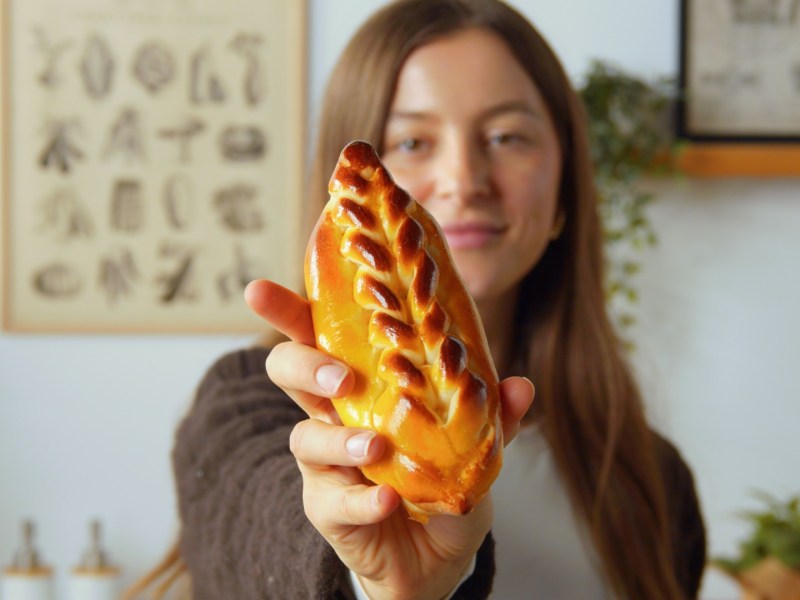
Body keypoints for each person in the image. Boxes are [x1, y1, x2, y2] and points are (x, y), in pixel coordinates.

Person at [127, 1, 706, 598]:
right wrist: (369, 576)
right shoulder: (247, 410)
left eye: (507, 136)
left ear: (564, 191)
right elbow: (261, 544)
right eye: (411, 140)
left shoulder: (648, 478)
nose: (463, 177)